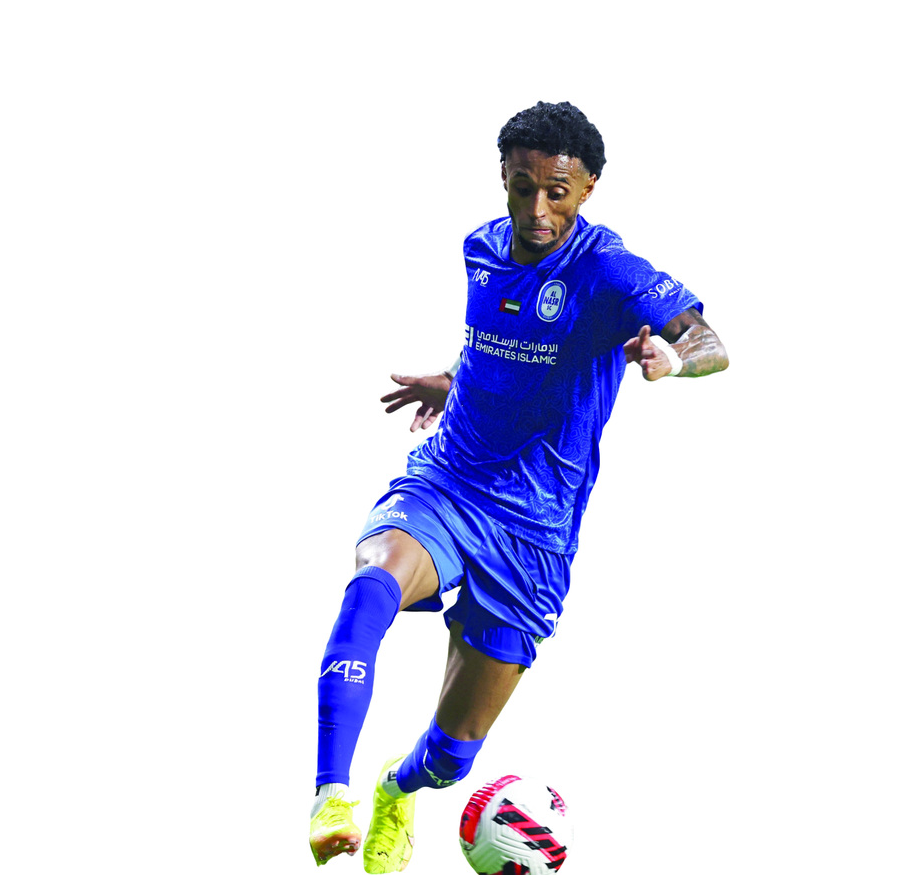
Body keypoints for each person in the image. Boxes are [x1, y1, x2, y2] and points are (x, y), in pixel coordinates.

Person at [309, 101, 730, 872]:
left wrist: (673, 359)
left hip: (534, 531)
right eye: (522, 188)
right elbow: (498, 344)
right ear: (502, 177)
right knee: (371, 585)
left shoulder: (611, 272)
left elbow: (710, 343)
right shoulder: (480, 248)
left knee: (451, 757)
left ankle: (396, 788)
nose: (538, 210)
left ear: (588, 188)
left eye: (557, 192)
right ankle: (330, 795)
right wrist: (453, 382)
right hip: (451, 481)